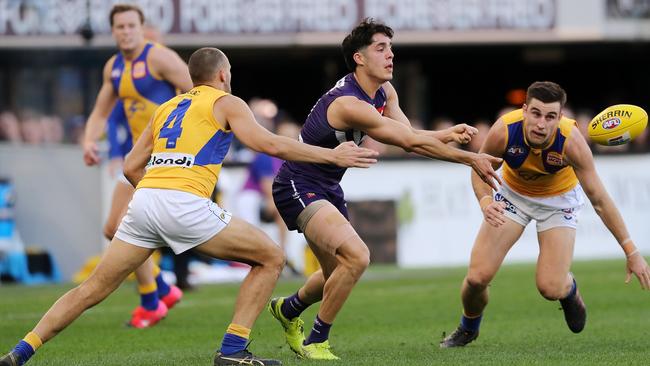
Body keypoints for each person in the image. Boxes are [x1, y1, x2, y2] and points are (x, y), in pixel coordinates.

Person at [0, 46, 379, 366]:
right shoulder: (227, 102)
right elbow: (271, 145)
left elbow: (132, 166)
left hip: (145, 200)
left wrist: (157, 195)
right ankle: (233, 350)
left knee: (92, 289)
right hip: (183, 202)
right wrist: (332, 156)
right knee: (271, 258)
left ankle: (21, 350)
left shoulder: (166, 107)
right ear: (223, 75)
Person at [267, 18, 502, 361]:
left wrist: (443, 135)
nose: (390, 55)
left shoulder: (384, 92)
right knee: (358, 257)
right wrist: (470, 159)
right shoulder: (349, 103)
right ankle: (317, 340)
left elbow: (407, 137)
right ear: (359, 58)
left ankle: (287, 310)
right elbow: (407, 140)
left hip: (327, 187)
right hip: (296, 184)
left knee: (335, 274)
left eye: (390, 47)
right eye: (381, 48)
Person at [439, 81, 650, 348]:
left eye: (550, 116)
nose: (541, 124)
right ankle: (469, 327)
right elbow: (478, 167)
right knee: (477, 278)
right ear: (525, 110)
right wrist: (485, 201)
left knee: (550, 287)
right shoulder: (504, 130)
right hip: (513, 194)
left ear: (559, 117)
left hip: (558, 202)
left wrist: (631, 252)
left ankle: (569, 289)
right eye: (536, 114)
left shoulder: (571, 141)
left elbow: (600, 200)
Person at [82, 4, 193, 327]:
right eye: (120, 27)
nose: (126, 31)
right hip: (138, 158)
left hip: (165, 159)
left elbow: (202, 93)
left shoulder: (159, 57)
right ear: (113, 31)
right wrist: (89, 141)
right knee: (112, 228)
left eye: (132, 26)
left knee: (128, 228)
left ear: (141, 28)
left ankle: (151, 299)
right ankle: (160, 290)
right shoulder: (113, 67)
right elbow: (101, 113)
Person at [236, 119, 302, 276]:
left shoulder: (293, 159)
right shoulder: (266, 156)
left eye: (294, 137)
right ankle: (252, 258)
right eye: (287, 136)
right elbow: (267, 187)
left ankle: (285, 254)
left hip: (270, 198)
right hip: (253, 198)